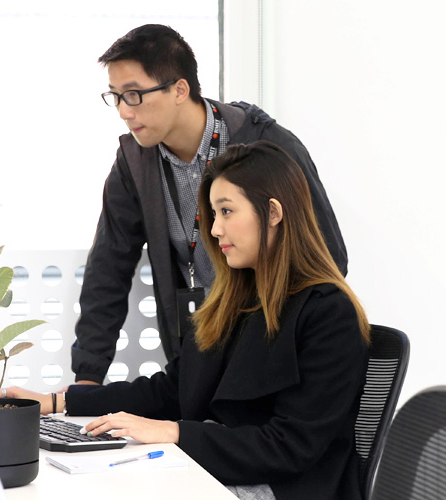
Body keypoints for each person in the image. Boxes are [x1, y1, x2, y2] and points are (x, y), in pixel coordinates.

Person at [0, 141, 369, 500]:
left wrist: (174, 433)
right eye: (212, 215)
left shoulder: (329, 313)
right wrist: (58, 401)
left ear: (273, 213)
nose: (215, 230)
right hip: (215, 473)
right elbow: (169, 391)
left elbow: (290, 447)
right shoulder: (233, 303)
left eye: (226, 212)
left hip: (284, 488)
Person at [72, 23, 348, 385]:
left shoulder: (265, 145)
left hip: (272, 352)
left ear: (179, 89)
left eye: (134, 94)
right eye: (116, 97)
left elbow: (327, 257)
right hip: (199, 356)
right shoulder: (135, 163)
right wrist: (87, 380)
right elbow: (108, 269)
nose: (124, 111)